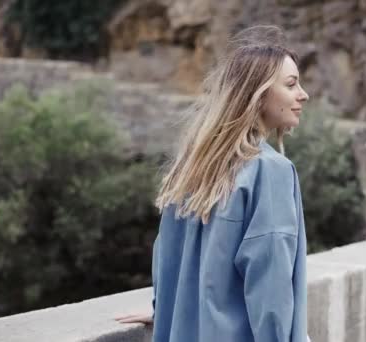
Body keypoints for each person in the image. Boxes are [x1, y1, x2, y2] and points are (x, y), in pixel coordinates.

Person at [115, 25, 311, 342]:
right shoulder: (271, 171)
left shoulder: (194, 168)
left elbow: (167, 261)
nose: (303, 94)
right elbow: (271, 292)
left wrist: (164, 309)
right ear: (258, 95)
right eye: (291, 85)